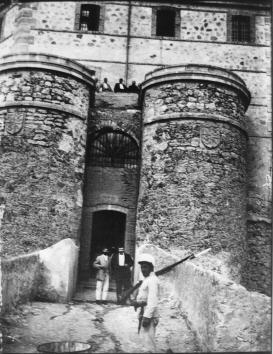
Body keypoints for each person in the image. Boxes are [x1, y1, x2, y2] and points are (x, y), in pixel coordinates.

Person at [131, 254, 160, 353]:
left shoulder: (152, 280)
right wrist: (138, 303)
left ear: (151, 268)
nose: (143, 269)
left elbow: (152, 300)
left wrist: (147, 317)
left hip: (149, 315)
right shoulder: (146, 279)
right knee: (144, 340)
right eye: (142, 267)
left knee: (149, 344)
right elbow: (145, 297)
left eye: (145, 267)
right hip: (143, 312)